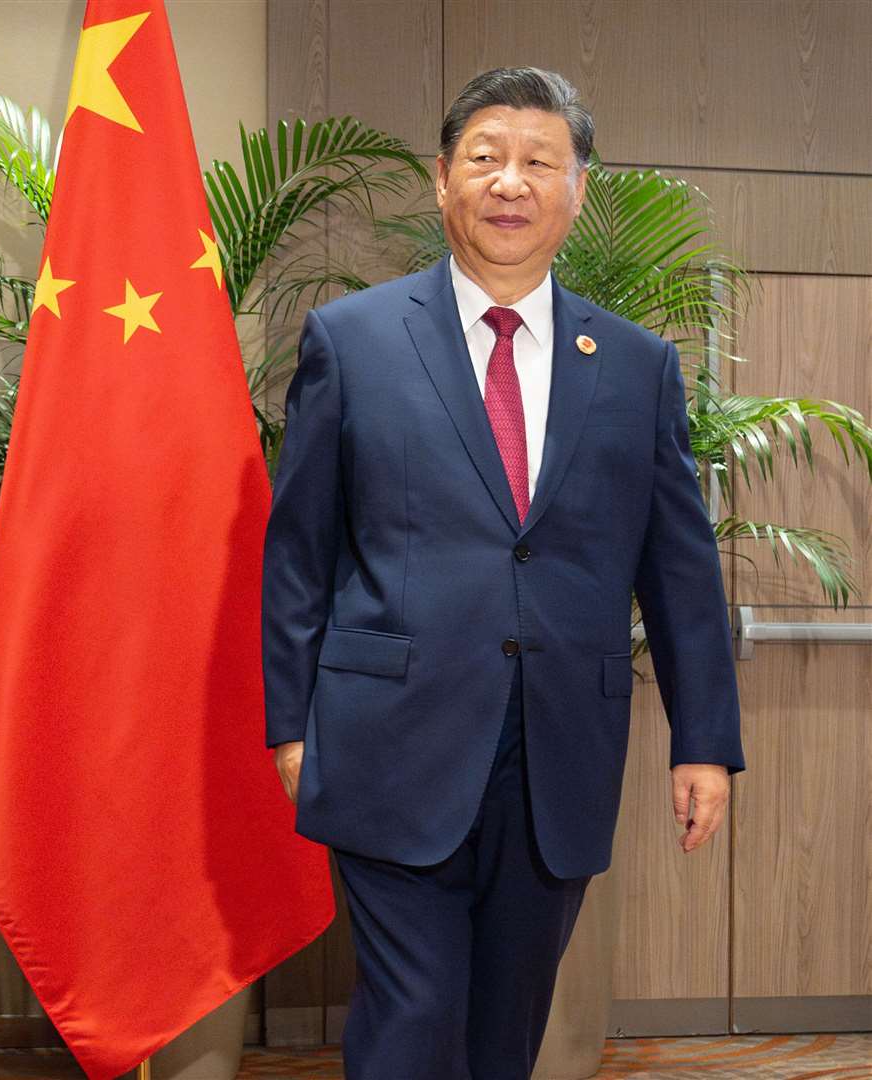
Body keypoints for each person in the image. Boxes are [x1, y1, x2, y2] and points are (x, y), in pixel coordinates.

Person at [262, 68, 743, 1079]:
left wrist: (704, 741)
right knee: (410, 1015)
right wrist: (293, 725)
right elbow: (299, 549)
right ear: (442, 182)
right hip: (388, 740)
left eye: (539, 162)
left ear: (577, 189)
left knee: (505, 1033)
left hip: (559, 749)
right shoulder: (353, 342)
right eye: (484, 158)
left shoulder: (636, 364)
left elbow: (680, 571)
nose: (509, 182)